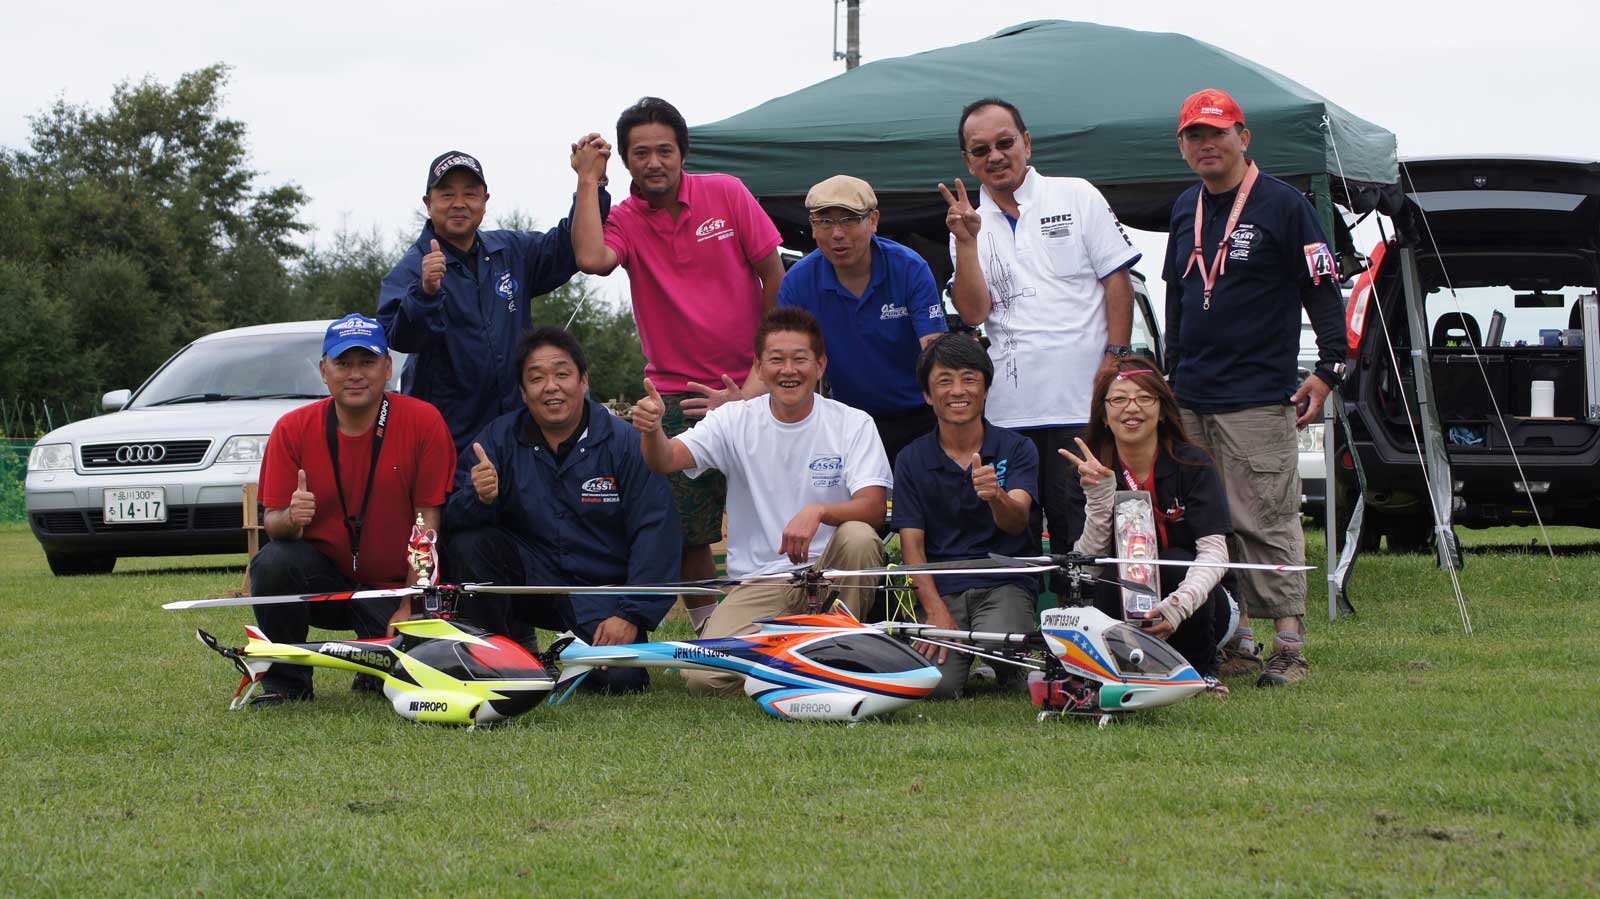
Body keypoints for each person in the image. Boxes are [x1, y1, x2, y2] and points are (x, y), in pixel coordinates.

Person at [569, 98, 787, 629]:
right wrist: (586, 180)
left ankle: (786, 625)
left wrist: (759, 379)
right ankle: (711, 634)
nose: (654, 162)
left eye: (665, 150)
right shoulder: (623, 218)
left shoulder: (726, 192)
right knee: (690, 533)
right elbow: (592, 259)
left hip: (757, 385)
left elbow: (774, 275)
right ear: (625, 160)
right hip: (676, 396)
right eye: (640, 153)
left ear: (683, 153)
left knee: (778, 513)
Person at [1162, 88, 1348, 686]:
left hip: (1258, 397)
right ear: (1182, 147)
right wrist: (1169, 376)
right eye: (1194, 135)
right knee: (1210, 522)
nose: (1206, 144)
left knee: (1266, 518)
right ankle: (1238, 639)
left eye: (1217, 132)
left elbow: (1323, 289)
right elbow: (1177, 298)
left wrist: (1329, 368)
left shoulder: (1284, 205)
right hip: (1192, 396)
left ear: (1243, 137)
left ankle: (1290, 646)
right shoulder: (1184, 207)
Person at [630, 307, 892, 695]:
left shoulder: (852, 422)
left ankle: (838, 650)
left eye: (800, 359)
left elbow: (873, 507)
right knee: (703, 678)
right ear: (758, 366)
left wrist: (819, 510)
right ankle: (801, 660)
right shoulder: (734, 419)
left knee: (858, 535)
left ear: (820, 365)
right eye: (776, 359)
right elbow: (665, 460)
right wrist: (652, 431)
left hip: (832, 573)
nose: (789, 370)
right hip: (762, 581)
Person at [941, 97, 1142, 558]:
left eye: (1005, 143)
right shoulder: (966, 221)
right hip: (1009, 413)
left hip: (1081, 404)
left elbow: (1117, 280)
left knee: (1086, 537)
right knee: (1016, 539)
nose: (995, 156)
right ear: (968, 161)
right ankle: (1020, 608)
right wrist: (966, 242)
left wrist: (1115, 357)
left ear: (1026, 144)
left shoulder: (1076, 194)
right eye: (980, 150)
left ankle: (1089, 606)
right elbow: (973, 314)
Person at [444, 326, 680, 694]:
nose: (550, 387)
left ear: (584, 381)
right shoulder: (497, 440)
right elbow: (451, 518)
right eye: (536, 378)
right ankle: (495, 658)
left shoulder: (626, 444)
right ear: (523, 392)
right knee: (470, 544)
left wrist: (630, 614)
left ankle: (573, 650)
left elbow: (656, 532)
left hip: (599, 593)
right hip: (531, 581)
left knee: (620, 682)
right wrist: (479, 498)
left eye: (562, 374)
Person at [249, 314, 457, 704]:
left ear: (388, 368)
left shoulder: (424, 421)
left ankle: (372, 666)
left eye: (367, 362)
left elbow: (426, 522)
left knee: (402, 677)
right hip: (324, 586)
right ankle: (286, 685)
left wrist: (410, 603)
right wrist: (292, 517)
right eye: (343, 363)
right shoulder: (292, 428)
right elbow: (272, 524)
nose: (355, 374)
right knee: (273, 562)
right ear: (324, 371)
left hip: (391, 587)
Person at [377, 150, 607, 456]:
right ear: (428, 203)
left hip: (522, 435)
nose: (459, 203)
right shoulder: (412, 268)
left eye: (470, 194)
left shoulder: (511, 251)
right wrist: (425, 293)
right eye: (447, 194)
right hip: (450, 442)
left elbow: (569, 247)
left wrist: (591, 183)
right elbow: (397, 338)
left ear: (485, 201)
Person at [1060, 358, 1234, 680]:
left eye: (1144, 398)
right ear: (1103, 414)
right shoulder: (1086, 472)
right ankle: (1124, 670)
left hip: (1196, 603)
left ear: (1163, 410)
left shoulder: (1194, 464)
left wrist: (1178, 606)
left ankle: (1203, 673)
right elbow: (1087, 568)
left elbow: (1215, 553)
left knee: (1176, 561)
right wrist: (1099, 499)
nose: (1132, 408)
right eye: (1119, 399)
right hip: (1119, 599)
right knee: (1111, 574)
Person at [892, 333, 1040, 698]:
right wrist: (935, 610)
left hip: (1003, 582)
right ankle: (961, 652)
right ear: (928, 395)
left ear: (985, 389)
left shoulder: (1017, 448)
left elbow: (1017, 521)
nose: (958, 391)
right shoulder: (911, 459)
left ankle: (1003, 664)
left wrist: (996, 496)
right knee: (937, 687)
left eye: (969, 379)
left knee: (1002, 649)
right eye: (945, 381)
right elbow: (912, 547)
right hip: (944, 587)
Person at [778, 175, 947, 464]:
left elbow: (934, 348)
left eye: (849, 220)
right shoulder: (798, 281)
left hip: (921, 415)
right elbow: (784, 356)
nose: (837, 233)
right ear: (812, 226)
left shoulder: (909, 267)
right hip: (848, 421)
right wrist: (741, 401)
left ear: (874, 220)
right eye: (825, 221)